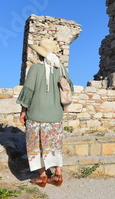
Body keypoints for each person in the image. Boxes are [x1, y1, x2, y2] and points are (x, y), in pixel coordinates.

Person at [16, 39, 74, 187]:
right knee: (54, 145)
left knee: (36, 146)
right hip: (55, 115)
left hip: (36, 114)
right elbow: (69, 90)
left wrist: (23, 112)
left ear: (39, 53)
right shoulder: (61, 68)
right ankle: (58, 175)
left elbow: (28, 91)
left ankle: (42, 177)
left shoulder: (35, 68)